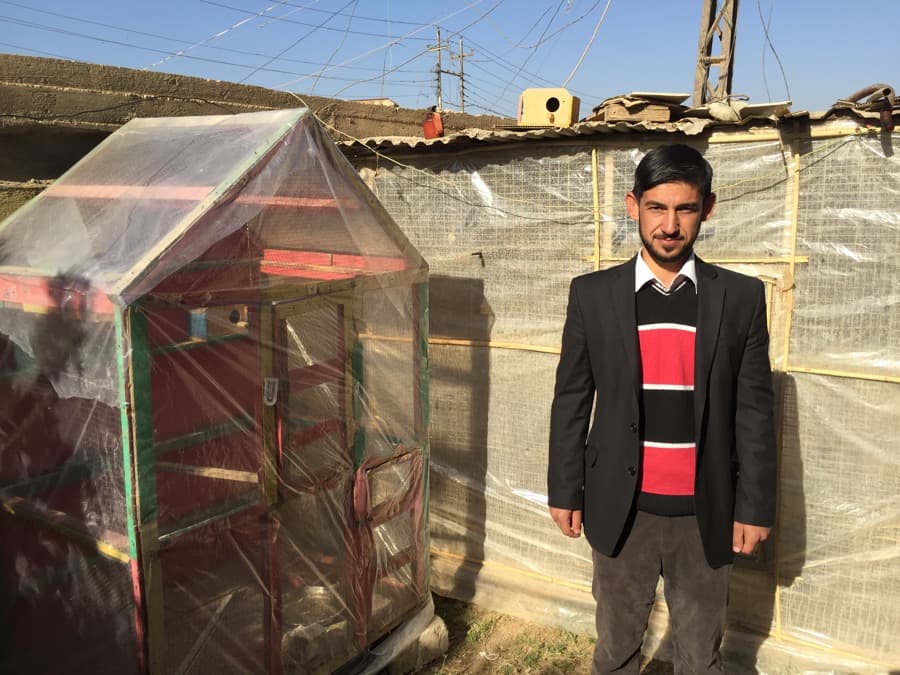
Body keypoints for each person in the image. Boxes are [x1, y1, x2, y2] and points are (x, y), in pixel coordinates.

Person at [547, 143, 777, 674]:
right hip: (621, 509)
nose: (670, 225)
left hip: (706, 512)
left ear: (708, 208)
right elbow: (572, 398)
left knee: (699, 654)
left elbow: (755, 412)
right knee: (616, 648)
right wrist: (565, 489)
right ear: (633, 206)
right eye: (656, 208)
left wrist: (755, 506)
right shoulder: (593, 294)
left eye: (685, 208)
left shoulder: (739, 298)